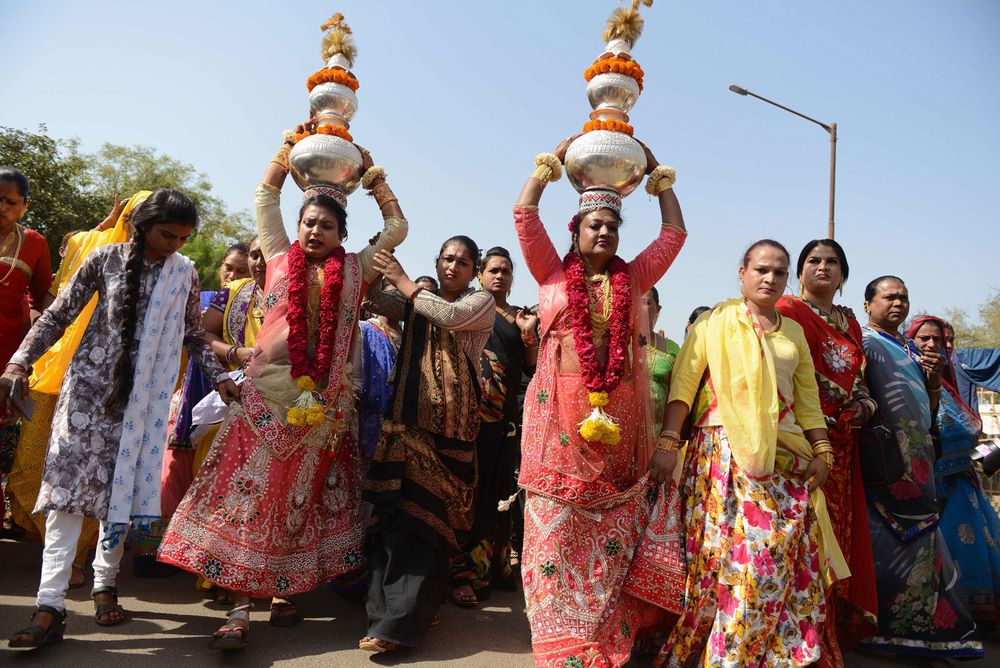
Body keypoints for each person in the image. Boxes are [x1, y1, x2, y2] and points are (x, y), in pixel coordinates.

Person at [157, 137, 407, 648]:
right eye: (308, 223)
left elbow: (399, 228)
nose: (315, 231)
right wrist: (286, 150)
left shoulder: (356, 270)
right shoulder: (276, 258)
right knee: (247, 502)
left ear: (342, 234)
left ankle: (283, 591)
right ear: (296, 229)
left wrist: (376, 182)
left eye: (327, 225)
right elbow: (264, 199)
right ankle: (240, 610)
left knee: (298, 503)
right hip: (265, 403)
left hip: (320, 411)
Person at [3, 188, 238, 649]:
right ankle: (48, 605)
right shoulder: (103, 259)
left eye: (184, 238)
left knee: (121, 491)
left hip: (145, 405)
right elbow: (56, 316)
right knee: (66, 500)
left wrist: (220, 377)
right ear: (142, 225)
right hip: (87, 398)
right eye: (167, 234)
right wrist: (18, 362)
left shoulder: (184, 273)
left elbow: (193, 333)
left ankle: (105, 584)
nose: (175, 245)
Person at [514, 136, 688, 668]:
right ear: (577, 229)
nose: (606, 231)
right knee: (555, 527)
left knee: (611, 525)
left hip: (621, 420)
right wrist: (550, 161)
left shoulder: (634, 278)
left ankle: (600, 628)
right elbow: (524, 213)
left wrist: (657, 176)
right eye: (596, 225)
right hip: (554, 424)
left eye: (613, 226)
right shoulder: (549, 271)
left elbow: (673, 234)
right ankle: (555, 637)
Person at [656, 239, 849, 667]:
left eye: (779, 272)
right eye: (761, 269)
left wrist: (822, 451)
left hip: (782, 455)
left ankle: (757, 655)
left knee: (771, 559)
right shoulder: (714, 322)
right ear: (741, 273)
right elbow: (684, 389)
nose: (770, 278)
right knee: (724, 563)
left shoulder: (792, 331)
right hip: (722, 453)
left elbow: (807, 400)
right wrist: (669, 443)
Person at [360, 236, 495, 653]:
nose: (453, 267)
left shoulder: (481, 303)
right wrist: (372, 268)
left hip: (449, 434)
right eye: (447, 259)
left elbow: (449, 317)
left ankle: (404, 620)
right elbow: (375, 304)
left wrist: (401, 279)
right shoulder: (415, 301)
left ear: (474, 270)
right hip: (405, 427)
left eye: (463, 262)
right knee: (396, 523)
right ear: (437, 263)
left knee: (430, 527)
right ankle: (388, 621)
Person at [5, 193, 147, 586]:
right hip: (57, 370)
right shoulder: (96, 250)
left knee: (99, 474)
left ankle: (85, 563)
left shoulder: (169, 271)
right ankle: (55, 559)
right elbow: (55, 312)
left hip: (116, 386)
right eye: (133, 218)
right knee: (45, 463)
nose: (140, 227)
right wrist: (22, 360)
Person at [857, 276, 982, 659]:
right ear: (868, 305)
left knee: (925, 544)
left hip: (919, 462)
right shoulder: (864, 344)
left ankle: (930, 633)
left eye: (903, 297)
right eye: (889, 297)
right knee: (885, 546)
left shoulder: (911, 350)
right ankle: (877, 632)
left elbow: (928, 412)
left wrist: (930, 381)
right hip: (884, 465)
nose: (898, 303)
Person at [776, 239, 879, 666]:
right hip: (802, 444)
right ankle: (792, 638)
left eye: (832, 262)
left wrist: (866, 407)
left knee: (837, 540)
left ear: (843, 274)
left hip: (845, 446)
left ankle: (826, 635)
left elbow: (861, 384)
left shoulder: (850, 322)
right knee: (802, 541)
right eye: (813, 261)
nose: (823, 267)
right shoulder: (785, 312)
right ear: (799, 272)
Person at [450, 246, 538, 608]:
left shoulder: (521, 317)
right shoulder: (468, 308)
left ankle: (496, 566)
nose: (499, 276)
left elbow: (531, 366)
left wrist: (529, 335)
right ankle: (465, 575)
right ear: (480, 275)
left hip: (505, 422)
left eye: (506, 271)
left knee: (500, 493)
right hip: (468, 418)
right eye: (493, 270)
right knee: (471, 495)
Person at [906, 316, 1000, 628]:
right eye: (925, 339)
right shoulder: (899, 378)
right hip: (922, 490)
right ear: (910, 342)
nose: (934, 346)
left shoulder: (951, 383)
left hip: (962, 487)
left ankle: (972, 616)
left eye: (941, 341)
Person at [0, 168, 52, 481]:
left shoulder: (34, 243)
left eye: (11, 201)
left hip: (7, 351)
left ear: (25, 206)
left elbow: (42, 297)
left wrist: (43, 339)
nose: (2, 207)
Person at [644, 287, 680, 435]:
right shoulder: (617, 344)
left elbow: (677, 394)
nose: (641, 308)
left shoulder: (671, 348)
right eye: (635, 302)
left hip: (657, 434)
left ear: (658, 309)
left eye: (647, 303)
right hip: (621, 432)